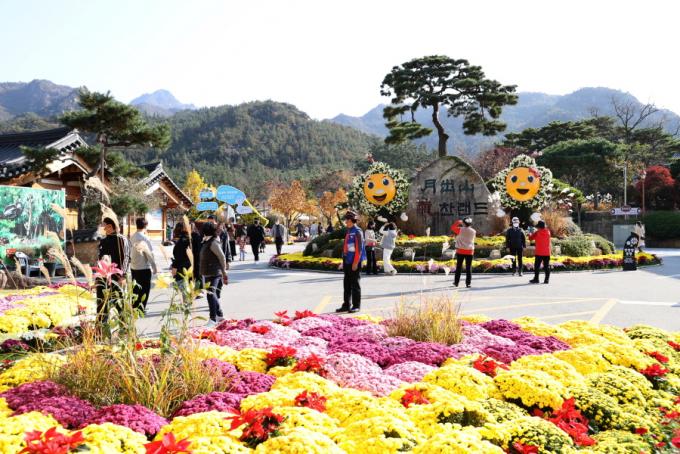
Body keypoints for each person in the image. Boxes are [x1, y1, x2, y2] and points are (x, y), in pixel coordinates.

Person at [96, 217, 131, 325]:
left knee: (119, 303)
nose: (103, 228)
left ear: (110, 226)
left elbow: (126, 257)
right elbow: (100, 259)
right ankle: (101, 327)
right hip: (103, 277)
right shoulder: (103, 240)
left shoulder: (122, 239)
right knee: (101, 303)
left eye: (104, 226)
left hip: (117, 276)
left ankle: (124, 327)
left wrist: (123, 275)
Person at [199, 222, 229, 326]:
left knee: (211, 294)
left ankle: (213, 319)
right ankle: (219, 315)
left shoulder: (213, 242)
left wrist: (224, 272)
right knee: (211, 294)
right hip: (207, 272)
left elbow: (222, 257)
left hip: (214, 272)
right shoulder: (206, 241)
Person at [336, 211, 365, 313]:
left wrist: (355, 262)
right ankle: (346, 305)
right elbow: (346, 247)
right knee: (346, 284)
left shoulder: (357, 231)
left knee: (355, 285)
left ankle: (356, 305)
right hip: (347, 260)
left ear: (352, 220)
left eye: (347, 220)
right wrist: (343, 261)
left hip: (354, 261)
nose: (346, 222)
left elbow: (359, 249)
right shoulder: (349, 231)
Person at [129, 218, 157, 312]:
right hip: (144, 267)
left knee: (136, 288)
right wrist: (154, 266)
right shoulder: (145, 238)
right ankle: (141, 308)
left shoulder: (132, 237)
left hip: (134, 267)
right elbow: (149, 253)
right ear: (145, 226)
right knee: (145, 289)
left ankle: (134, 307)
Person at [452, 217, 476, 288]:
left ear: (463, 223)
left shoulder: (460, 229)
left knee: (459, 267)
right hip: (470, 251)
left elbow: (452, 227)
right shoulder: (473, 231)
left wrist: (458, 222)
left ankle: (456, 283)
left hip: (460, 250)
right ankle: (468, 283)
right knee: (468, 267)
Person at [170, 222, 192, 288]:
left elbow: (178, 258)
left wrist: (174, 267)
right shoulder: (191, 239)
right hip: (191, 270)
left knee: (183, 291)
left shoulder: (182, 241)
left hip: (182, 270)